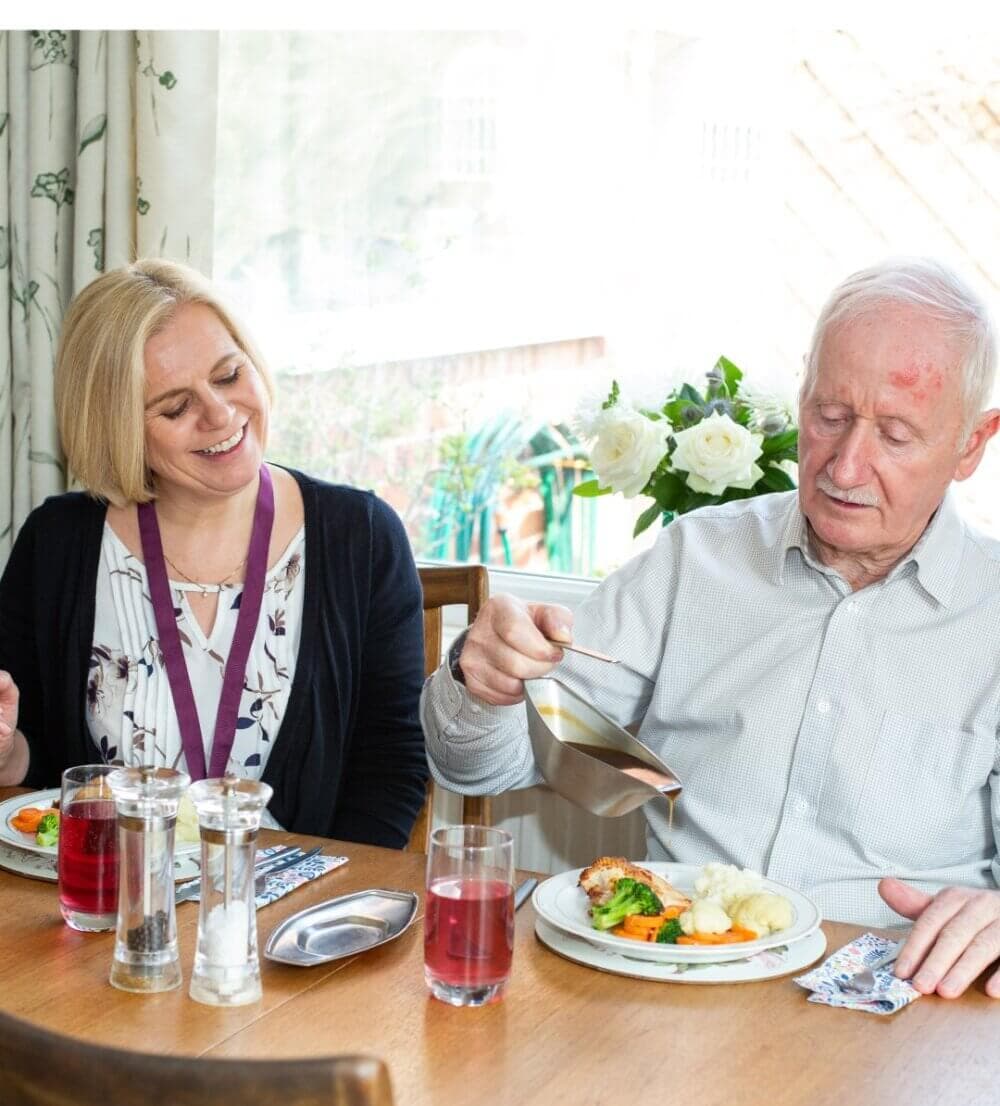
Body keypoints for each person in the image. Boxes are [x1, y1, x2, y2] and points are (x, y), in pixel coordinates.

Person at [421, 256, 1000, 998]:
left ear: (972, 444)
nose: (845, 467)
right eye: (828, 417)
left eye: (895, 434)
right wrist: (481, 681)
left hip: (901, 1009)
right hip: (673, 991)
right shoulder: (697, 559)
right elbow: (480, 770)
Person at [0, 259, 427, 848]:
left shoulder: (364, 537)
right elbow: (35, 762)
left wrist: (313, 910)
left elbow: (392, 768)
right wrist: (5, 750)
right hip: (112, 913)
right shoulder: (57, 544)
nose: (221, 415)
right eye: (175, 407)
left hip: (294, 920)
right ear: (118, 428)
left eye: (229, 375)